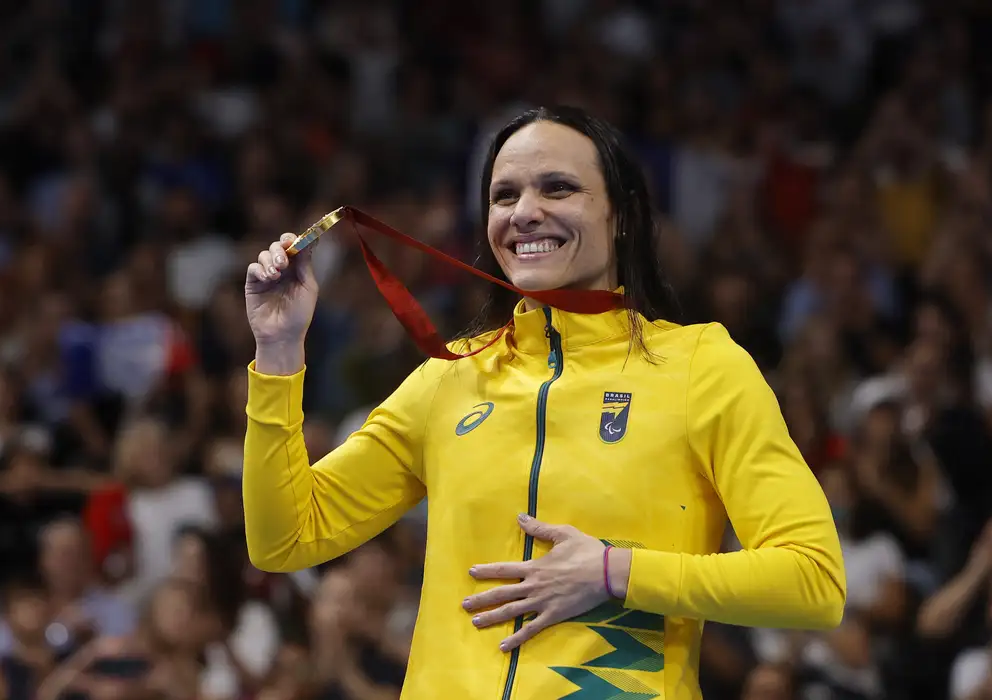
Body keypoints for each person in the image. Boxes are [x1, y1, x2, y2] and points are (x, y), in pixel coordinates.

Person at [242, 106, 846, 699]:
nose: (526, 213)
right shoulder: (452, 377)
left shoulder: (700, 367)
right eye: (504, 196)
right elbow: (285, 538)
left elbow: (812, 581)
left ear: (624, 215)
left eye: (558, 188)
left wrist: (616, 573)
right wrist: (278, 351)